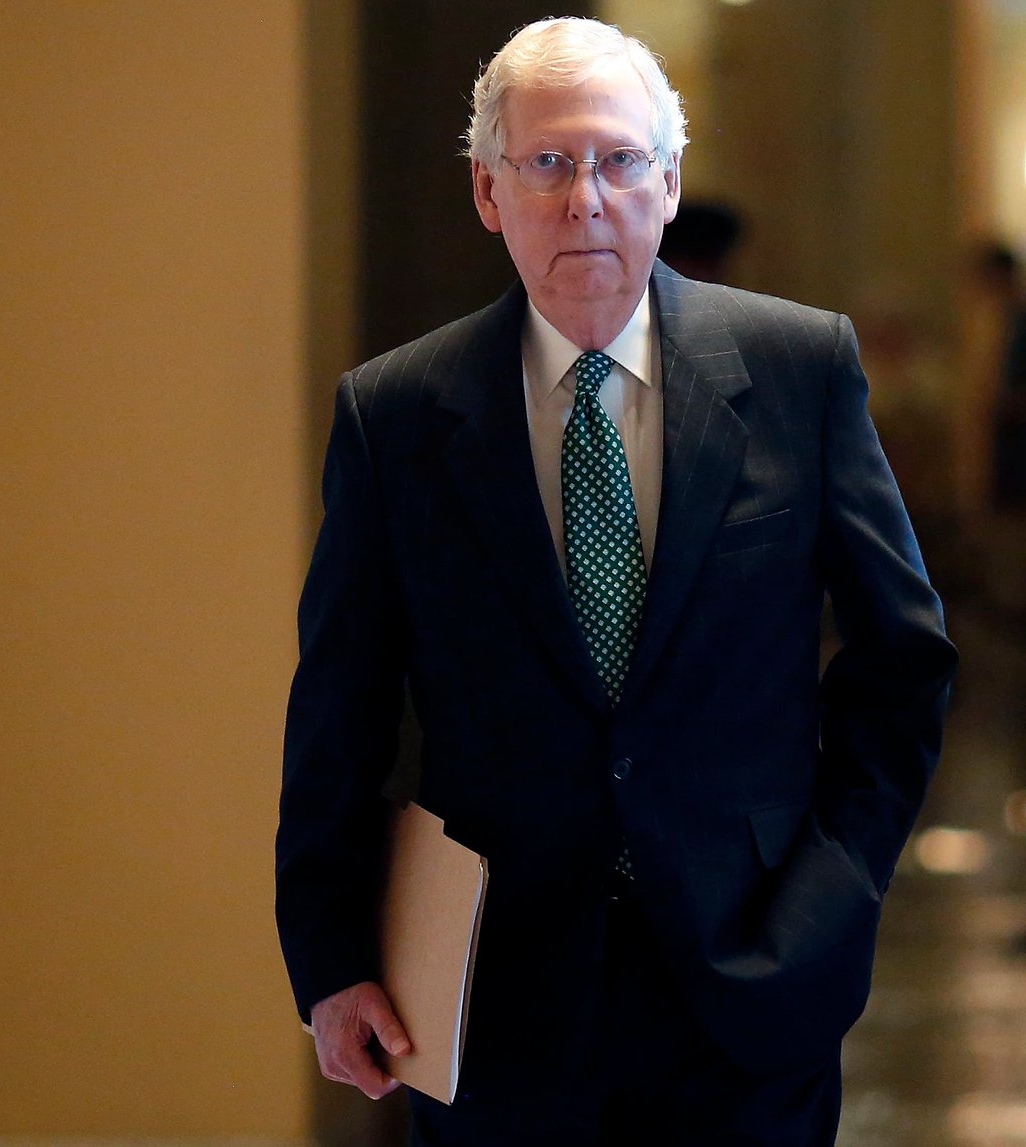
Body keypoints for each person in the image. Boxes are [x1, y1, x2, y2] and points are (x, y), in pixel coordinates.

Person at [274, 18, 956, 1146]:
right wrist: (335, 957)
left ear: (670, 183)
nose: (584, 197)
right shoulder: (395, 414)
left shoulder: (799, 369)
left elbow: (903, 661)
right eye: (545, 163)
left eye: (617, 159)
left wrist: (833, 898)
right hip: (496, 999)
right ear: (489, 193)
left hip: (753, 979)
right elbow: (337, 708)